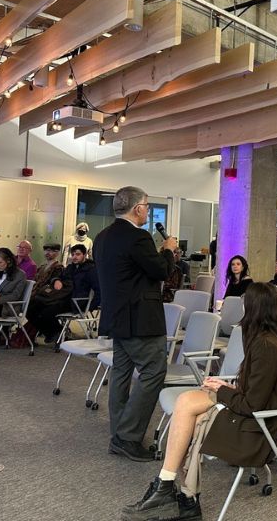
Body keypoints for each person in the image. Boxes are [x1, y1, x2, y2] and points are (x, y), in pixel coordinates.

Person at [120, 282, 277, 521]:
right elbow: (261, 392)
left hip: (259, 431)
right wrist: (229, 388)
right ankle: (176, 493)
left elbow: (252, 405)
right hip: (263, 420)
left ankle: (170, 490)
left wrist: (223, 392)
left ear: (255, 309)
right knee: (189, 404)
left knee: (190, 406)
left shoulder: (266, 345)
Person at [93, 186, 177, 462]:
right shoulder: (139, 238)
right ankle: (127, 437)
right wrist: (168, 250)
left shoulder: (103, 237)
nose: (148, 211)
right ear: (138, 209)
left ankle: (119, 431)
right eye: (147, 206)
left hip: (116, 317)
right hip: (140, 319)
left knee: (121, 373)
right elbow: (161, 271)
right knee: (154, 371)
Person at [20, 243, 68, 344]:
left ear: (57, 253)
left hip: (48, 297)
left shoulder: (58, 268)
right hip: (37, 295)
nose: (48, 253)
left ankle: (54, 332)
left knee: (35, 309)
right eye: (46, 250)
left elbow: (54, 284)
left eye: (51, 251)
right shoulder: (42, 267)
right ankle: (50, 332)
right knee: (28, 310)